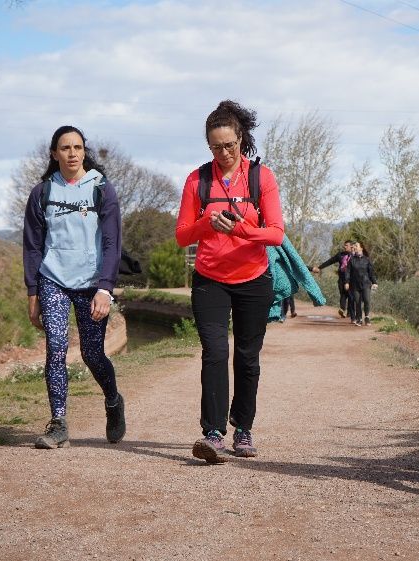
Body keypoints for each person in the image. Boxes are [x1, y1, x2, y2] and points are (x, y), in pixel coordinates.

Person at [175, 100, 284, 464]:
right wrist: (207, 222)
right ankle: (213, 433)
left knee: (247, 357)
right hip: (210, 280)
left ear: (242, 139)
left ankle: (243, 429)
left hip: (253, 280)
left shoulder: (260, 178)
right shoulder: (197, 179)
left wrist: (238, 227)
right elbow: (181, 235)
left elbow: (276, 235)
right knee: (215, 353)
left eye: (229, 145)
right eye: (215, 146)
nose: (223, 153)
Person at [22, 125, 125, 449]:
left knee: (93, 354)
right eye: (65, 148)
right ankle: (59, 423)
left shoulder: (100, 188)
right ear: (54, 153)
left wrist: (105, 288)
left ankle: (112, 401)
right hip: (53, 279)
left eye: (77, 147)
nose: (72, 153)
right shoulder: (43, 192)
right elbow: (33, 246)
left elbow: (112, 243)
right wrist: (32, 292)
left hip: (92, 283)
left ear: (84, 151)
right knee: (55, 347)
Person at [312, 240, 353, 318]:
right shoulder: (340, 255)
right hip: (342, 278)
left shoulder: (354, 256)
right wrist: (319, 268)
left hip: (352, 279)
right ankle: (342, 310)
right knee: (343, 294)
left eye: (346, 245)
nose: (345, 247)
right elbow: (330, 261)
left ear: (351, 246)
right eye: (344, 245)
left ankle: (350, 312)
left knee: (351, 295)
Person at [344, 241, 377, 326]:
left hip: (366, 283)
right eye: (354, 246)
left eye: (356, 246)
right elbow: (348, 272)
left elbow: (371, 272)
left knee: (367, 300)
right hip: (355, 284)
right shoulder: (352, 260)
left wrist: (374, 282)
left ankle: (367, 317)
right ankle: (359, 319)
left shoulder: (367, 259)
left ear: (361, 248)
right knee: (357, 302)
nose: (354, 247)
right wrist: (347, 282)